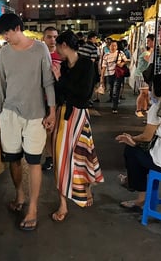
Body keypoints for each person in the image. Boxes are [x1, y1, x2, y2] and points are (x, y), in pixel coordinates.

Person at [0, 13, 56, 231]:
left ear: (18, 28)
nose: (6, 37)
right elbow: (0, 84)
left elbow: (48, 83)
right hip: (9, 113)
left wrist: (52, 112)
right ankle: (19, 193)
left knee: (34, 161)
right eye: (3, 35)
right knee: (13, 159)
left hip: (35, 114)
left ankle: (33, 209)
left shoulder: (40, 49)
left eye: (7, 33)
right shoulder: (4, 51)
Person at [50, 30, 104, 221]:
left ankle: (86, 187)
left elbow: (84, 94)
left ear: (64, 45)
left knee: (82, 155)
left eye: (57, 45)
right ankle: (63, 203)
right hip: (63, 115)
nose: (55, 49)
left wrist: (60, 80)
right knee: (60, 159)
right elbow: (60, 93)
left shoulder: (86, 65)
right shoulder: (64, 66)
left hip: (79, 116)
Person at [115, 75, 161, 210]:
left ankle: (138, 195)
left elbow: (146, 137)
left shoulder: (157, 108)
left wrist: (132, 138)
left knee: (132, 151)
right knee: (139, 152)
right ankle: (131, 181)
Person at [41, 26, 62, 171]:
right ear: (43, 38)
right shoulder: (39, 56)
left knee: (59, 130)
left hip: (60, 99)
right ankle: (50, 157)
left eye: (55, 36)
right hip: (42, 99)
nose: (52, 40)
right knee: (47, 130)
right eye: (49, 36)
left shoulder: (62, 56)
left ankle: (58, 157)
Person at [100, 40, 128, 114]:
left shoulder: (120, 53)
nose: (113, 47)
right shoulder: (106, 55)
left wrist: (122, 63)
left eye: (115, 46)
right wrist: (102, 78)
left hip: (118, 74)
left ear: (117, 46)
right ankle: (113, 100)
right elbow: (103, 67)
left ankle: (114, 107)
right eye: (112, 45)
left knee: (116, 90)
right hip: (110, 74)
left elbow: (126, 60)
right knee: (112, 89)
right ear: (109, 46)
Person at [134, 34, 155, 118]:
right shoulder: (146, 53)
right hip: (140, 75)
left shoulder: (150, 52)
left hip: (145, 75)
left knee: (146, 94)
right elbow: (149, 60)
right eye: (148, 41)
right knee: (143, 93)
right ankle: (138, 110)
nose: (148, 42)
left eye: (149, 41)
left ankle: (145, 109)